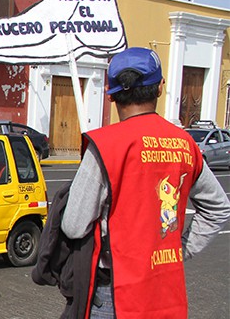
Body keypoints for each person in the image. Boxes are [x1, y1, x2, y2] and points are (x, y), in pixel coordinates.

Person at [60, 47, 230, 317]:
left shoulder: (105, 146)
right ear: (160, 87)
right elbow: (218, 208)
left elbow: (73, 225)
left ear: (110, 93)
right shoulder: (185, 144)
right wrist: (178, 249)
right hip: (165, 290)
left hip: (115, 294)